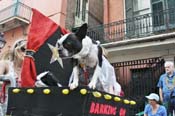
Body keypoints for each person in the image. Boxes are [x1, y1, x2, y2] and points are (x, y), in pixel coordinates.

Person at [0, 39, 27, 115]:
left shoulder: (29, 69)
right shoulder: (5, 64)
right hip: (4, 107)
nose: (26, 53)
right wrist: (7, 80)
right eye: (23, 49)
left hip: (23, 108)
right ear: (16, 50)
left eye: (28, 51)